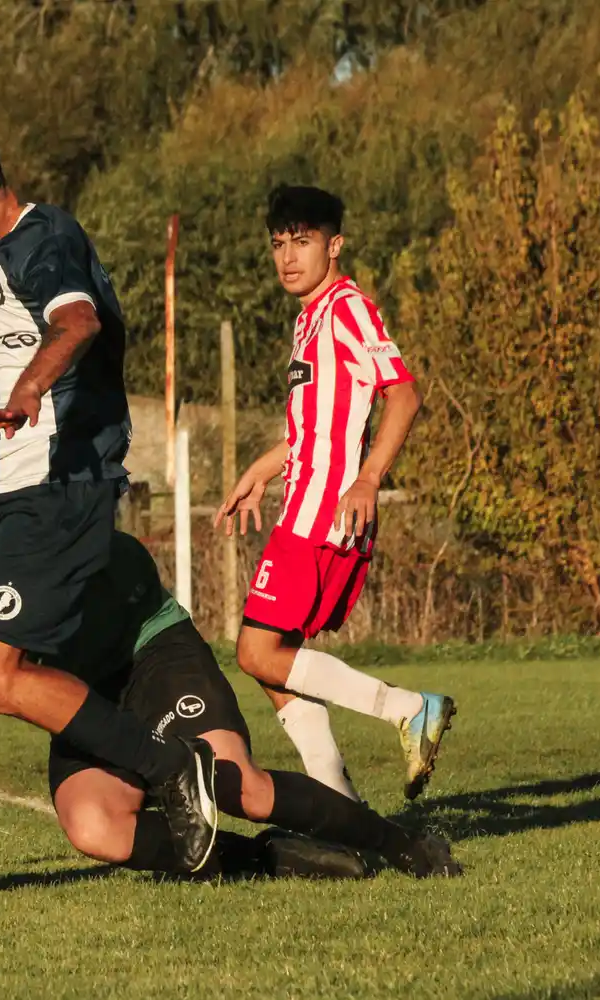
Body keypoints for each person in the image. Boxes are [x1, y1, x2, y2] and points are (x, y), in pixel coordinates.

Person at [0, 345, 462, 887]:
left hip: (144, 649)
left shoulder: (23, 457)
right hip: (62, 687)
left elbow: (83, 418)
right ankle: (269, 861)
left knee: (240, 787)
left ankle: (404, 844)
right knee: (95, 828)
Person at [0, 110, 217, 870]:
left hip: (59, 490)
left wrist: (28, 390)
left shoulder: (45, 237)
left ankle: (170, 765)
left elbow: (79, 322)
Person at [215, 184, 455, 801]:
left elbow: (402, 393)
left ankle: (408, 708)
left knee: (256, 650)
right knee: (273, 657)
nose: (288, 256)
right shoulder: (309, 318)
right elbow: (318, 427)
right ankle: (339, 801)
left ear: (335, 243)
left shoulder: (347, 308)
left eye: (303, 241)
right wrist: (264, 468)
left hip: (323, 513)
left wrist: (370, 477)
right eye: (278, 244)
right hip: (304, 504)